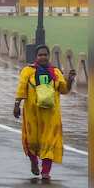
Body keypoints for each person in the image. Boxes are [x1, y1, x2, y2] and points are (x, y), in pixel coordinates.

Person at [14, 45, 76, 180]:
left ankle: (46, 171)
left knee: (49, 140)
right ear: (36, 57)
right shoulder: (28, 71)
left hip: (51, 114)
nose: (43, 57)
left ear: (49, 56)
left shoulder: (55, 72)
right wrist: (17, 105)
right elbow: (21, 88)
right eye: (40, 55)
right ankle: (34, 161)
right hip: (32, 113)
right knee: (31, 139)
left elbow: (64, 90)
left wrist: (70, 81)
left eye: (45, 55)